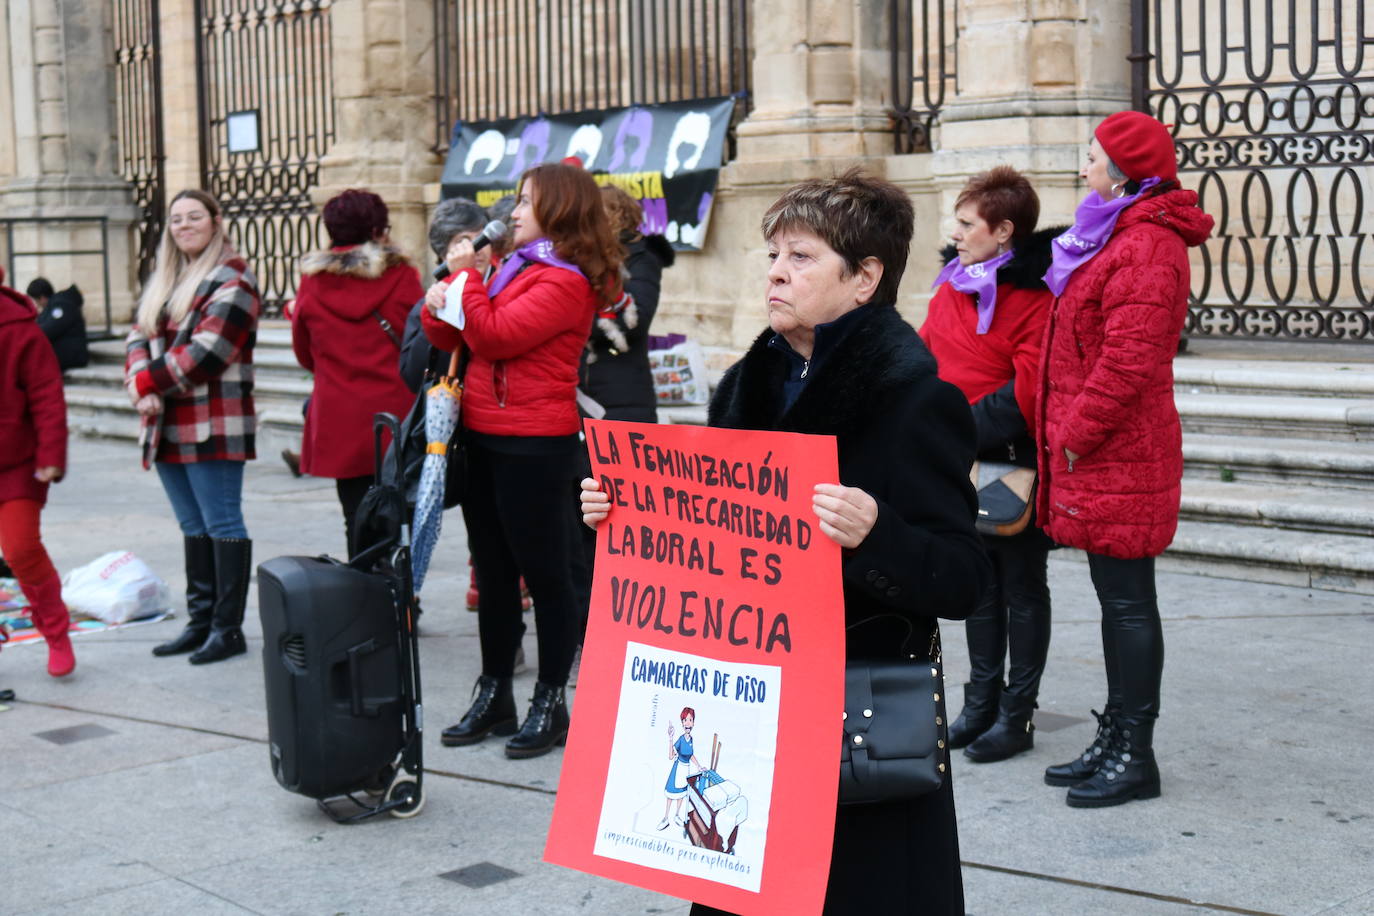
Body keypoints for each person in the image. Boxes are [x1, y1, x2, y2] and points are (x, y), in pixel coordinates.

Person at [583, 169, 989, 914]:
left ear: (865, 277)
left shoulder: (915, 401)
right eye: (773, 254)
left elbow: (963, 578)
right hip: (742, 720)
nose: (775, 272)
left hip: (847, 726)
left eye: (801, 257)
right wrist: (625, 519)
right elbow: (710, 548)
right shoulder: (745, 387)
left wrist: (876, 534)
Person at [1036, 111, 1213, 807]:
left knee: (1130, 603)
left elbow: (1130, 357)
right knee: (1118, 603)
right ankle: (1115, 738)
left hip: (1118, 451)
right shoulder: (1114, 234)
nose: (1084, 169)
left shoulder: (1147, 244)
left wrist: (1074, 432)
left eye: (1092, 158)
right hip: (1103, 454)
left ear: (1122, 169)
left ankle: (1134, 753)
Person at [422, 162, 621, 759]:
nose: (511, 212)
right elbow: (447, 334)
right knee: (494, 571)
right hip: (482, 435)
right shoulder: (514, 267)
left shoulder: (566, 281)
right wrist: (445, 298)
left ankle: (551, 698)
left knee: (547, 575)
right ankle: (495, 692)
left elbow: (493, 336)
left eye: (526, 201)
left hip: (535, 443)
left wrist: (466, 281)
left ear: (557, 209)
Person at [919, 166, 1059, 764]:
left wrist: (953, 423)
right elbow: (926, 354)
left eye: (967, 223)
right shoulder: (951, 283)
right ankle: (979, 706)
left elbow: (1027, 392)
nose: (955, 233)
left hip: (1010, 460)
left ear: (1004, 231)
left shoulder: (1033, 295)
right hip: (956, 459)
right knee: (979, 588)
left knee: (1021, 587)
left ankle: (1018, 714)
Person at [125, 189, 261, 666]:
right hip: (164, 421)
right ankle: (200, 621)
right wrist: (137, 382)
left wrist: (146, 380)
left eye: (194, 217)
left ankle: (228, 630)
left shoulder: (234, 279)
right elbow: (137, 333)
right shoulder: (166, 276)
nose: (184, 226)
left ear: (216, 221)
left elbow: (207, 353)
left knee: (222, 523)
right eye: (177, 219)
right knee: (192, 525)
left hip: (213, 421)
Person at [291, 189, 423, 554]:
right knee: (399, 518)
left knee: (355, 515)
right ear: (379, 229)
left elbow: (304, 353)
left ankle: (367, 596)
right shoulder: (401, 276)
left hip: (339, 419)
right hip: (395, 417)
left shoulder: (313, 281)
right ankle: (400, 602)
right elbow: (420, 342)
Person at [0, 266, 75, 677]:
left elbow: (47, 392)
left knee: (21, 549)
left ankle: (56, 632)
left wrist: (51, 453)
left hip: (16, 461)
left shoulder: (17, 326)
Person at [581, 185, 674, 424]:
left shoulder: (642, 260)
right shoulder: (588, 259)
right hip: (586, 390)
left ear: (611, 216)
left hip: (622, 394)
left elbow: (635, 321)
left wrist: (571, 322)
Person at [26, 277, 89, 371]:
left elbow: (48, 330)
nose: (37, 305)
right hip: (66, 352)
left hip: (73, 355)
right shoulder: (54, 306)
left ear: (42, 298)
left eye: (36, 301)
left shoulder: (61, 306)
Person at [659, 707, 703, 830]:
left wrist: (699, 766)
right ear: (682, 723)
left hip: (686, 770)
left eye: (690, 720)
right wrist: (671, 738)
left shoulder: (691, 740)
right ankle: (665, 818)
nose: (688, 723)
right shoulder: (680, 739)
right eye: (685, 720)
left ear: (693, 723)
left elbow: (691, 755)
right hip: (678, 769)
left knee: (681, 794)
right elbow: (670, 756)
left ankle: (676, 815)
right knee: (671, 794)